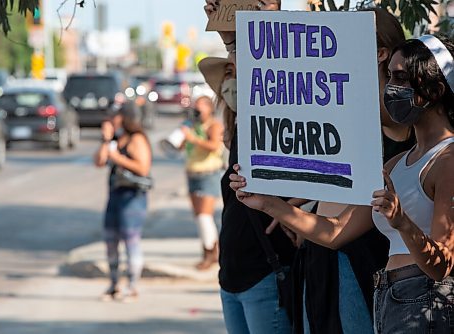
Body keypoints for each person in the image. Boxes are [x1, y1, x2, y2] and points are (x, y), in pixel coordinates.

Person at [231, 34, 454, 332]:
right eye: (389, 77)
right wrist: (268, 203)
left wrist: (402, 223)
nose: (391, 88)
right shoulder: (395, 164)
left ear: (435, 89)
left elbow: (441, 265)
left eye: (401, 77)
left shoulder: (448, 161)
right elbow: (334, 231)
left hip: (425, 302)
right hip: (389, 300)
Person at [283, 8, 416, 334]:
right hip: (321, 253)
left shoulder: (399, 114)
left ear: (380, 53)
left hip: (361, 258)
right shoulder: (344, 103)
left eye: (346, 42)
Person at [199, 52, 294, 333]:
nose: (231, 80)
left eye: (238, 70)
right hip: (231, 278)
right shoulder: (236, 133)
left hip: (263, 274)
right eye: (227, 73)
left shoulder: (271, 127)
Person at [94, 101, 152, 302]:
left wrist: (116, 157)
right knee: (110, 241)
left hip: (132, 197)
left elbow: (142, 168)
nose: (112, 120)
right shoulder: (115, 140)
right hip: (115, 195)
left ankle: (132, 286)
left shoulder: (137, 139)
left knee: (130, 241)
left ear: (125, 117)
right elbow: (99, 162)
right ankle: (113, 284)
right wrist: (106, 140)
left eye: (115, 116)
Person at [181, 95, 224, 270]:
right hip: (193, 173)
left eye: (200, 107)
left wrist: (194, 139)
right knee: (199, 218)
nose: (196, 111)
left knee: (205, 217)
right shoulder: (193, 125)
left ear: (209, 108)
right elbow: (180, 147)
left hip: (208, 174)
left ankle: (212, 252)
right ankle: (207, 251)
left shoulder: (214, 125)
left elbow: (214, 146)